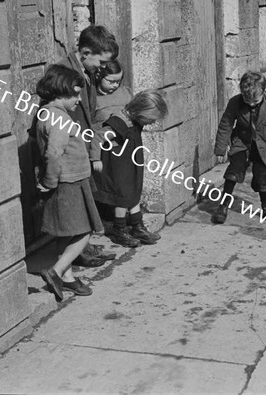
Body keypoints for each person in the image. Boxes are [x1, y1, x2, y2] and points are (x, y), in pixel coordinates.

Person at [34, 64, 103, 300]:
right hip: (68, 182)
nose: (78, 99)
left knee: (65, 232)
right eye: (74, 94)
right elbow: (54, 152)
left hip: (70, 180)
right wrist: (50, 181)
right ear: (60, 92)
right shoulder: (58, 117)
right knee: (85, 231)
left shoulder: (47, 112)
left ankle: (67, 277)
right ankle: (56, 270)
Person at [57, 25, 119, 266]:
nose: (103, 68)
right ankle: (70, 258)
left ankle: (83, 248)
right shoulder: (63, 72)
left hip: (82, 145)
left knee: (85, 200)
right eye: (101, 62)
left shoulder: (87, 72)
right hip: (69, 149)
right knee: (74, 207)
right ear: (85, 52)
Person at [211, 71, 266, 224]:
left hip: (265, 146)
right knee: (232, 173)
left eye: (255, 101)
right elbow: (226, 125)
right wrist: (220, 149)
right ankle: (223, 206)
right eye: (247, 100)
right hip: (241, 144)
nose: (251, 104)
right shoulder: (235, 102)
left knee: (261, 180)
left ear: (264, 92)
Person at [92, 89, 168, 247]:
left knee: (133, 192)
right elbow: (98, 137)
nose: (152, 123)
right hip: (118, 167)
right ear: (140, 111)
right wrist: (95, 158)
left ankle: (137, 226)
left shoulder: (134, 120)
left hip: (129, 163)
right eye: (151, 119)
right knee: (123, 196)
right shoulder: (120, 123)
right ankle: (119, 229)